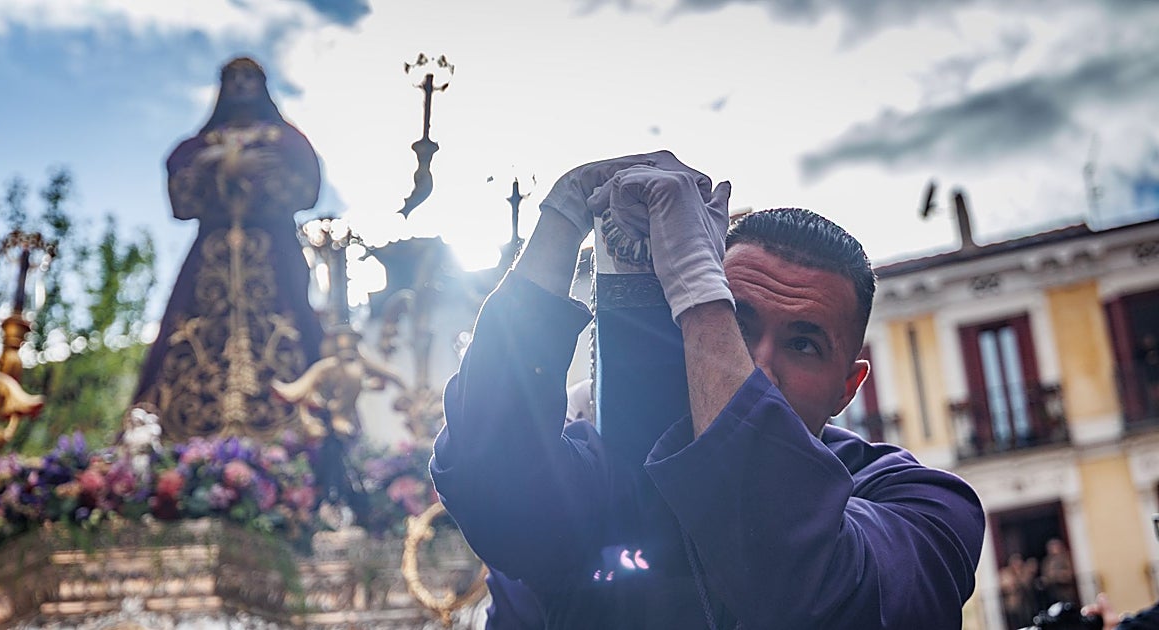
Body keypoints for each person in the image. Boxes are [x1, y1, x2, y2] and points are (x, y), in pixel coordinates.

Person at [431, 151, 985, 628]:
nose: (760, 369)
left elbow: (814, 581)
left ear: (848, 386)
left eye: (803, 345)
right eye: (736, 325)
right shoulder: (620, 470)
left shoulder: (924, 503)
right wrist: (563, 217)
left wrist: (700, 293)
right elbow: (488, 468)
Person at [133, 56, 323, 442]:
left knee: (291, 329)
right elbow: (181, 203)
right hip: (211, 255)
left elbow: (306, 190)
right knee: (188, 339)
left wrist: (256, 170)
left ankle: (302, 429)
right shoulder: (200, 145)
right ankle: (174, 433)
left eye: (249, 77)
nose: (240, 86)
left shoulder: (284, 140)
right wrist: (218, 163)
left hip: (272, 253)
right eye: (232, 78)